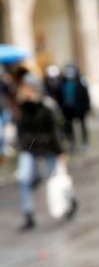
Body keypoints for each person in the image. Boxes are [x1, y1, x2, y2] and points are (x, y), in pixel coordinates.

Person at [15, 74, 77, 231]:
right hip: (29, 149)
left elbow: (56, 131)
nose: (27, 92)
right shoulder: (23, 107)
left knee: (54, 178)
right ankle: (28, 215)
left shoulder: (47, 106)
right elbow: (21, 130)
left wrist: (61, 152)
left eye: (30, 88)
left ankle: (70, 200)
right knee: (23, 178)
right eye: (25, 88)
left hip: (49, 148)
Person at [60, 64, 91, 151]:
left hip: (80, 109)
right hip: (68, 109)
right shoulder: (63, 83)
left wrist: (87, 108)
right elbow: (60, 96)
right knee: (69, 127)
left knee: (83, 126)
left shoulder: (81, 82)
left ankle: (85, 142)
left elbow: (86, 96)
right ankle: (72, 143)